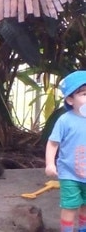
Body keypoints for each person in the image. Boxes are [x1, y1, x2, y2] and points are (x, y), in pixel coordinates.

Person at [45, 70, 86, 232]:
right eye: (83, 94)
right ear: (70, 100)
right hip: (69, 174)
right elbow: (53, 143)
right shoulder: (65, 121)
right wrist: (50, 164)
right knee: (70, 206)